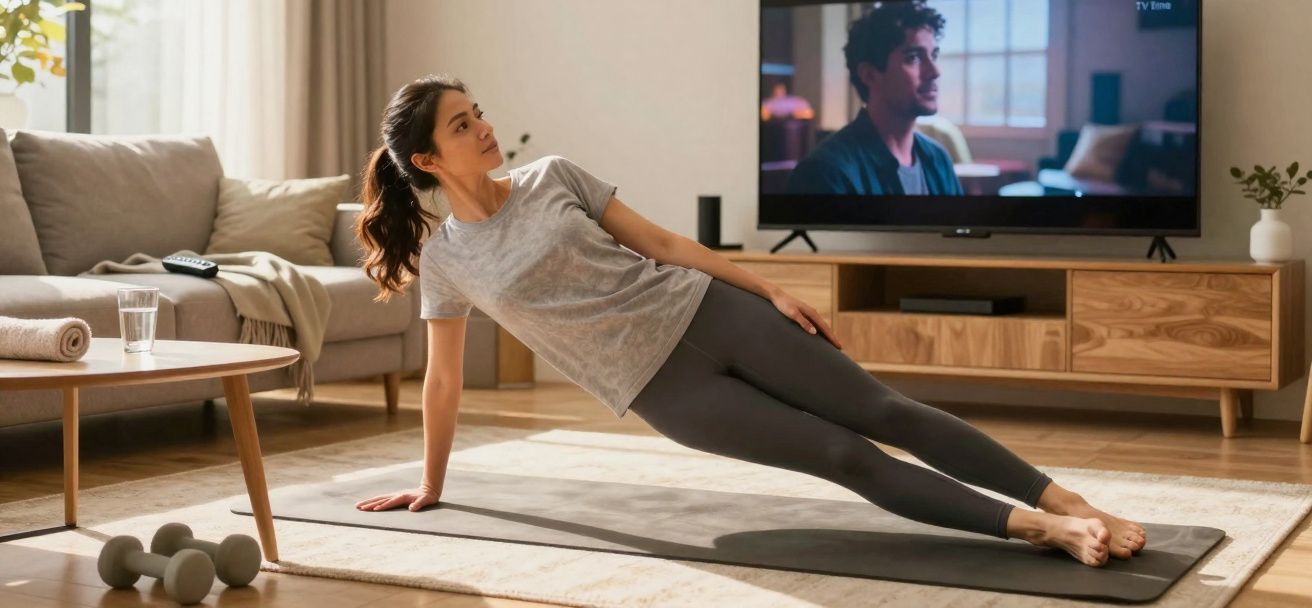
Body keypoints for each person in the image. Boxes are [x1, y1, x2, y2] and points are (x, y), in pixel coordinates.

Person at [350, 74, 1146, 567]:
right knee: (844, 455)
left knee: (885, 410)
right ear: (427, 161)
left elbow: (662, 241)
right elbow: (444, 380)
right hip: (665, 390)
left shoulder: (552, 175)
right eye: (461, 125)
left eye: (477, 111)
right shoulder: (447, 259)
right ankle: (1035, 530)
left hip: (710, 312)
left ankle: (1070, 502)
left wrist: (770, 291)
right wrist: (431, 483)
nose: (483, 126)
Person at [787, 0, 964, 196]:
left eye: (934, 55)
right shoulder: (826, 172)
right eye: (913, 57)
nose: (935, 71)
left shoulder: (938, 159)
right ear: (869, 75)